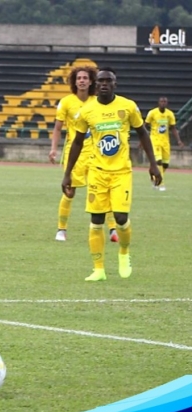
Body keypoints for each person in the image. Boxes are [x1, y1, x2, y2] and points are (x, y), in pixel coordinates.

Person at [61, 67, 162, 282]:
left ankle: (124, 253)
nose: (104, 84)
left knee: (121, 218)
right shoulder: (87, 111)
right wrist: (67, 173)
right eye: (101, 81)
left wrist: (153, 165)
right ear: (96, 85)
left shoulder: (128, 106)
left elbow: (143, 133)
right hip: (97, 171)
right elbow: (77, 142)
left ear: (115, 84)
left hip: (121, 172)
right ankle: (99, 269)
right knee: (96, 220)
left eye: (108, 81)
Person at [49, 66, 118, 243]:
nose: (82, 80)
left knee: (103, 191)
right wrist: (54, 149)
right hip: (75, 155)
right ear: (74, 81)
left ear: (91, 81)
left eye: (85, 78)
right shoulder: (66, 102)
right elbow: (57, 128)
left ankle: (112, 230)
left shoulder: (98, 102)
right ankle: (61, 230)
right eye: (79, 78)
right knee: (69, 192)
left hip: (96, 154)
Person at [144, 96, 185, 191]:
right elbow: (144, 126)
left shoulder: (170, 114)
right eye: (161, 101)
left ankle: (153, 176)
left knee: (165, 164)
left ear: (167, 103)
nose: (163, 103)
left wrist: (179, 140)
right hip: (154, 141)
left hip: (165, 142)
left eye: (165, 102)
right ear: (158, 103)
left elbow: (173, 128)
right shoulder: (152, 113)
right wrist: (144, 140)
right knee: (158, 161)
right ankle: (160, 183)